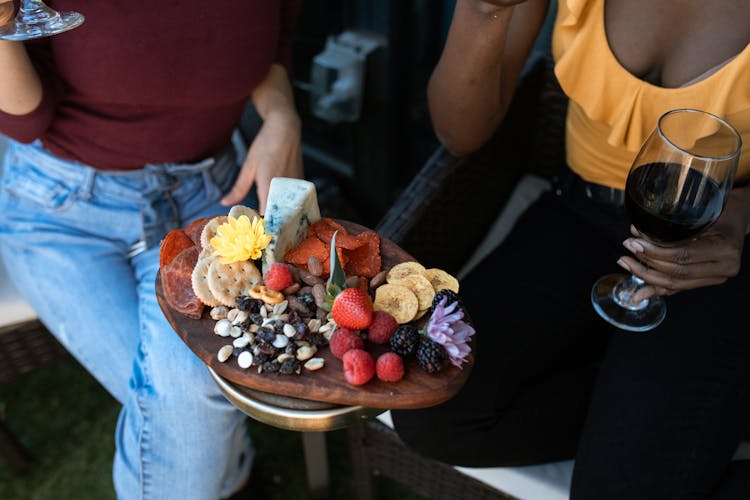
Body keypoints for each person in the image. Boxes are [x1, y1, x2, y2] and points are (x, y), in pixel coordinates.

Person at [391, 0, 750, 498]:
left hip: (715, 255)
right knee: (435, 409)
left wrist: (743, 215)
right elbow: (460, 134)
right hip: (580, 214)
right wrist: (481, 10)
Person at [0, 1, 302, 498]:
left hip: (207, 202)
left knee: (188, 400)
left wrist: (282, 115)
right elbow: (26, 121)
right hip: (62, 214)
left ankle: (228, 471)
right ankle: (233, 475)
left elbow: (273, 45)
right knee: (189, 408)